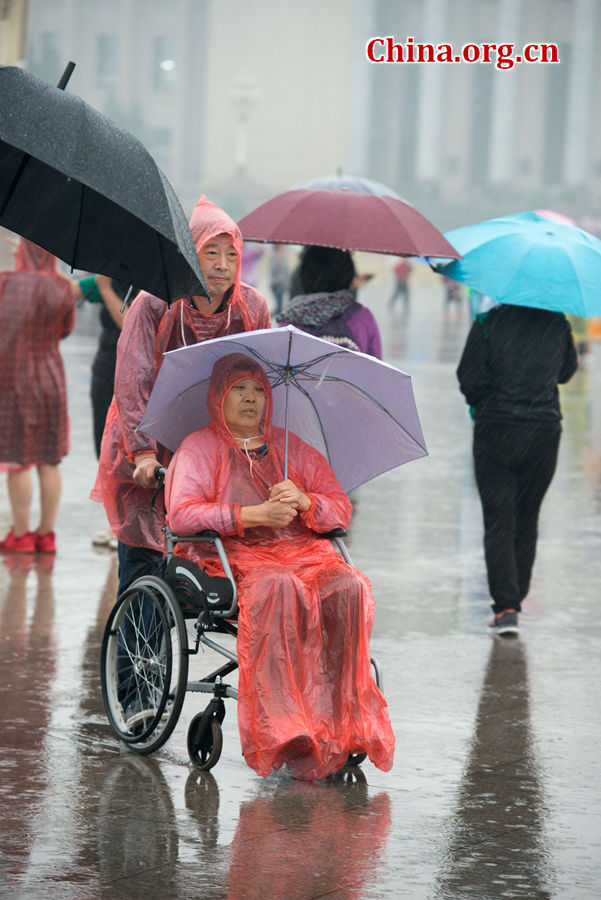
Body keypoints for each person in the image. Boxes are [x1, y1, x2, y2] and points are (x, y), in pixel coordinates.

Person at [165, 353, 395, 781]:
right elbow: (181, 515)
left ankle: (346, 720)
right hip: (232, 560)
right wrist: (251, 516)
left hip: (303, 554)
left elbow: (340, 509)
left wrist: (307, 502)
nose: (250, 398)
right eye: (239, 389)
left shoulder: (292, 449)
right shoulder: (199, 448)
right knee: (280, 587)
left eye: (257, 390)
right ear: (219, 396)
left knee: (349, 587)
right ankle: (285, 727)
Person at [92, 196, 272, 594]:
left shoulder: (251, 308)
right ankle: (133, 655)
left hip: (209, 451)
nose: (223, 265)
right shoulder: (153, 303)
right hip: (148, 448)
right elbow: (132, 380)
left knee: (207, 563)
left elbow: (259, 383)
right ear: (190, 253)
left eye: (231, 254)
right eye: (211, 253)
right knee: (143, 566)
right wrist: (142, 452)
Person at [457, 304, 578, 635]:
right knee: (527, 518)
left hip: (496, 429)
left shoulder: (487, 323)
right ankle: (516, 600)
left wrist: (488, 399)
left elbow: (469, 379)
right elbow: (565, 372)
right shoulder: (557, 323)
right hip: (543, 431)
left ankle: (506, 607)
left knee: (498, 520)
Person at [0, 238, 76, 554]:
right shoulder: (63, 288)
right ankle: (46, 534)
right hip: (51, 380)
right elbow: (66, 330)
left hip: (13, 379)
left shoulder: (5, 283)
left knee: (18, 459)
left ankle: (20, 535)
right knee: (49, 458)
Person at [276, 245, 382, 358]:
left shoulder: (290, 320)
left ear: (304, 275)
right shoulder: (363, 317)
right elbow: (377, 369)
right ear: (348, 274)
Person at [268, 244, 291, 316]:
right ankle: (268, 317)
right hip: (276, 285)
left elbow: (287, 272)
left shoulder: (285, 258)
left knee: (280, 307)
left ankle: (269, 317)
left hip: (284, 285)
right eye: (281, 248)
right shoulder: (273, 257)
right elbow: (272, 269)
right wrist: (278, 260)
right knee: (279, 307)